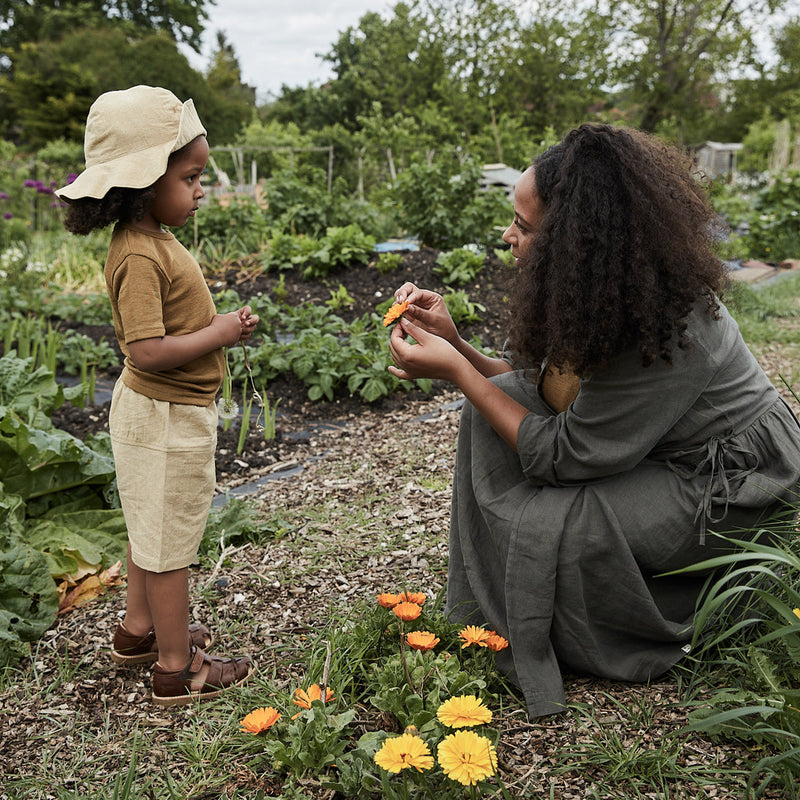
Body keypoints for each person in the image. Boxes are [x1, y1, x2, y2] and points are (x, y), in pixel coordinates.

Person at [388, 122, 800, 718]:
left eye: (524, 228)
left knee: (565, 525)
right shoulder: (605, 290)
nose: (507, 236)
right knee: (488, 411)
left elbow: (565, 454)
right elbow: (541, 389)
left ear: (580, 241)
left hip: (731, 484)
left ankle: (642, 619)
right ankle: (493, 610)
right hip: (661, 453)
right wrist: (457, 346)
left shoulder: (668, 326)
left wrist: (457, 373)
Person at [56, 85, 257, 706]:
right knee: (169, 545)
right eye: (192, 177)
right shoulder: (139, 255)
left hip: (165, 412)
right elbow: (144, 351)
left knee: (150, 529)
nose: (201, 190)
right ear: (145, 181)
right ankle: (177, 668)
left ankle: (138, 631)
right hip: (164, 415)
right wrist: (220, 331)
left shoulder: (152, 240)